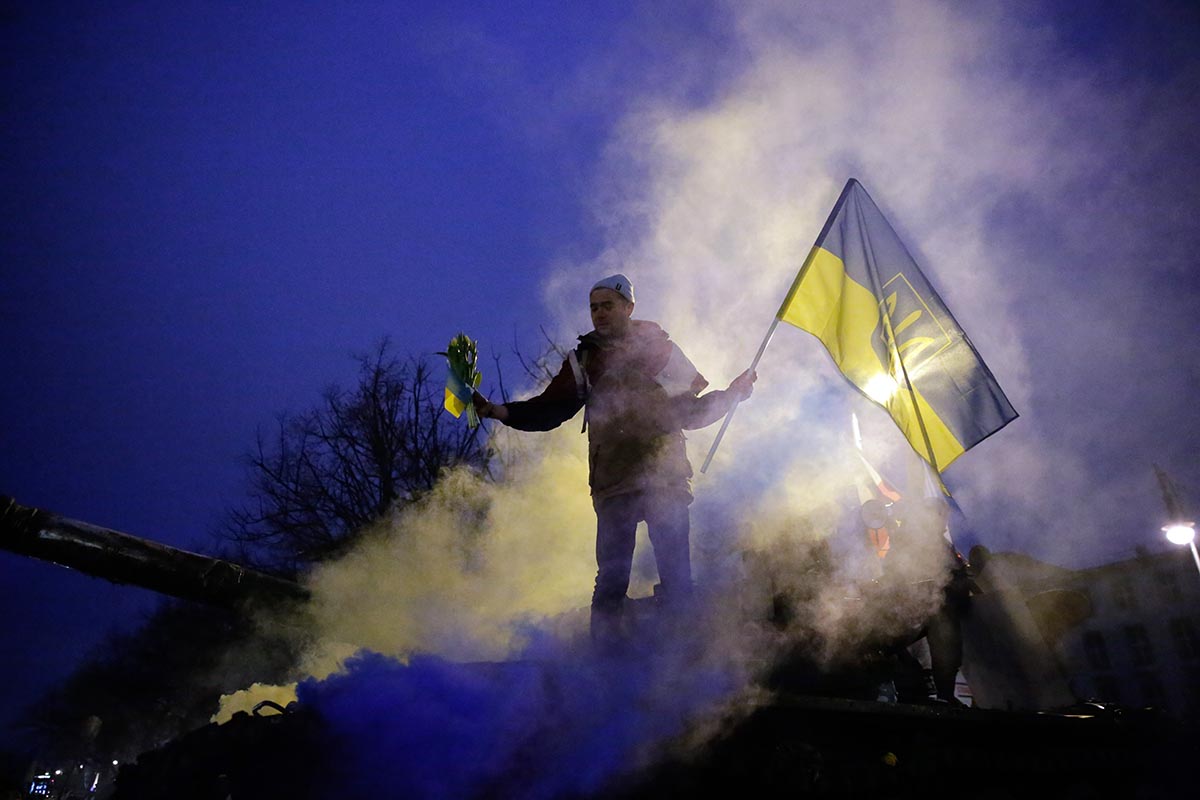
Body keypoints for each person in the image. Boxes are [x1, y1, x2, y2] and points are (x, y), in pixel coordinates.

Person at [474, 274, 756, 646]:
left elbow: (692, 412)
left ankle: (684, 655)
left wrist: (732, 394)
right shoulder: (584, 360)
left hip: (665, 477)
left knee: (675, 573)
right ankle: (604, 660)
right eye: (594, 308)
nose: (599, 314)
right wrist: (498, 411)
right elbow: (549, 409)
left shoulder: (663, 353)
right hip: (613, 482)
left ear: (629, 307)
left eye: (607, 305)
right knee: (611, 578)